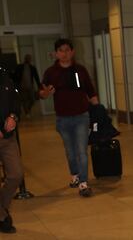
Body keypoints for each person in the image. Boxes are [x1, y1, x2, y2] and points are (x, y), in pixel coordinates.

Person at [39, 38, 98, 198]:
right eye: (61, 50)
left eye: (67, 50)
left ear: (72, 52)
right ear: (56, 53)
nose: (64, 53)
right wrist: (46, 93)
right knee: (70, 152)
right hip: (63, 119)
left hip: (81, 116)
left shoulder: (80, 70)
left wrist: (98, 110)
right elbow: (42, 93)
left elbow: (91, 91)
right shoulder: (51, 72)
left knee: (81, 151)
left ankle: (83, 183)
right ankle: (75, 175)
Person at [0, 66, 24, 234]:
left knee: (16, 175)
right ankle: (2, 217)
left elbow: (16, 103)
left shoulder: (4, 77)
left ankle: (1, 210)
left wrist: (13, 117)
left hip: (7, 138)